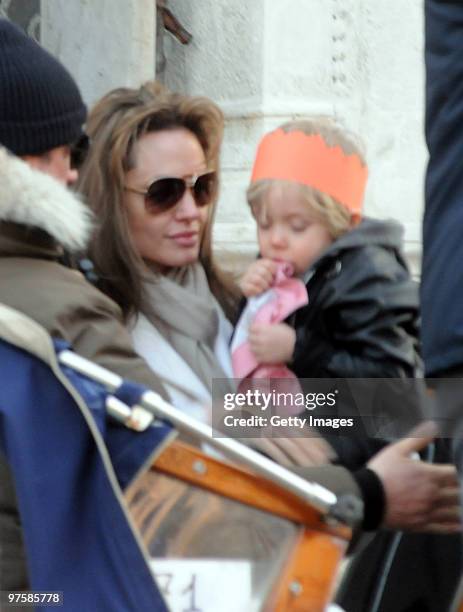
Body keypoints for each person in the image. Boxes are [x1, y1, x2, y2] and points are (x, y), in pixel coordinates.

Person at [78, 81, 460, 536]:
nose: (190, 211)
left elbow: (396, 403)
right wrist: (239, 418)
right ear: (112, 202)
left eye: (202, 188)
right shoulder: (97, 322)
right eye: (163, 193)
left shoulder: (241, 298)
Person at [238, 118, 462, 610]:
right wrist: (255, 297)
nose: (275, 240)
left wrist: (297, 348)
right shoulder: (302, 267)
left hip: (362, 434)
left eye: (296, 227)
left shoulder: (366, 275)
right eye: (263, 224)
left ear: (342, 222)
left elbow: (388, 387)